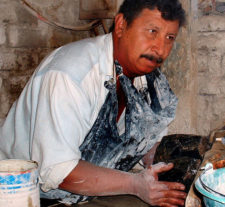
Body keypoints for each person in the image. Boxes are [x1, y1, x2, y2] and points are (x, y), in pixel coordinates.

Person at [0, 0, 187, 206]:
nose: (160, 48)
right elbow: (58, 170)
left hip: (91, 188)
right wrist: (136, 185)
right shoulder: (71, 74)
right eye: (152, 31)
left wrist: (167, 163)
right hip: (27, 194)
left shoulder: (150, 81)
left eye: (169, 38)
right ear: (121, 25)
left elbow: (146, 143)